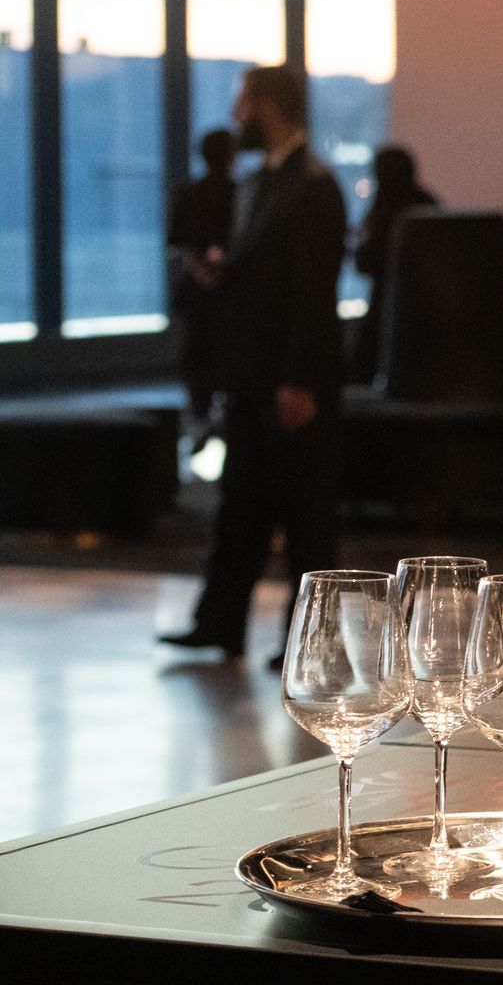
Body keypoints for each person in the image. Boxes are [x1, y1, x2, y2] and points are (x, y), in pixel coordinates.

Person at [160, 65, 347, 666]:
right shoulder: (265, 183)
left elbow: (313, 294)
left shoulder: (312, 186)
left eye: (243, 102)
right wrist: (224, 272)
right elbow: (268, 277)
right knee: (241, 505)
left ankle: (310, 646)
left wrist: (299, 379)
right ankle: (220, 623)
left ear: (268, 106)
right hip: (252, 376)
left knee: (305, 515)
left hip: (289, 379)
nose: (236, 114)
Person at [166, 127, 236, 443]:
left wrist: (200, 270)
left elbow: (177, 242)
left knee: (196, 353)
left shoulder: (189, 193)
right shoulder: (241, 193)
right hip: (231, 290)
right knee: (225, 350)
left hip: (195, 289)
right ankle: (225, 415)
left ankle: (199, 416)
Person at [349, 145, 439, 384]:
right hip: (430, 317)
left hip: (383, 314)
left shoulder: (383, 211)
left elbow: (364, 262)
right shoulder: (429, 205)